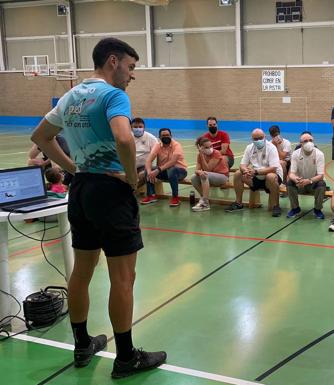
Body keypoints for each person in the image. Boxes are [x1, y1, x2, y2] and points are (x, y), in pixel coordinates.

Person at [30, 37, 166, 379]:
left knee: (82, 271)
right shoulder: (113, 95)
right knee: (124, 277)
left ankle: (81, 345)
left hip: (82, 191)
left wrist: (75, 169)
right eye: (131, 67)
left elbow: (41, 137)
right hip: (110, 192)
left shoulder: (70, 96)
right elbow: (123, 138)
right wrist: (132, 179)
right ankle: (125, 357)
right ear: (112, 62)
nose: (132, 76)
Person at [225, 129, 283, 217]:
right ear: (252, 139)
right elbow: (242, 164)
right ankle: (238, 203)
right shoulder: (249, 147)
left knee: (270, 176)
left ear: (264, 137)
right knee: (238, 174)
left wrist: (256, 172)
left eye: (260, 138)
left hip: (271, 178)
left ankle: (276, 206)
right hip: (255, 177)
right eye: (255, 139)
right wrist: (245, 170)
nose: (258, 141)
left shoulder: (271, 147)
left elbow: (273, 168)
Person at [142, 128, 188, 207]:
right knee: (147, 169)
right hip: (165, 172)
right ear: (159, 137)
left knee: (172, 170)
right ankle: (151, 196)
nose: (166, 137)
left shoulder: (177, 145)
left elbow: (172, 162)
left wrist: (158, 170)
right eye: (163, 135)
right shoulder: (158, 146)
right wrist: (149, 173)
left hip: (180, 172)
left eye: (167, 135)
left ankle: (175, 198)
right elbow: (148, 161)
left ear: (171, 136)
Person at [286, 132, 326, 219]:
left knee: (322, 184)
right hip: (300, 183)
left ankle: (317, 210)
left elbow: (320, 175)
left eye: (311, 140)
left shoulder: (319, 154)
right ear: (301, 143)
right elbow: (291, 173)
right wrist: (296, 179)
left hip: (313, 183)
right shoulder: (296, 154)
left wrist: (309, 181)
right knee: (289, 183)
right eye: (305, 141)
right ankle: (295, 208)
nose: (309, 142)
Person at [190, 137, 230, 212]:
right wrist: (199, 172)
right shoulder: (200, 155)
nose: (210, 148)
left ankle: (204, 203)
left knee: (205, 174)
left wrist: (201, 156)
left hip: (222, 177)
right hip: (210, 176)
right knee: (193, 177)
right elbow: (197, 169)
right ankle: (204, 200)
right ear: (201, 148)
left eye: (211, 146)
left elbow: (208, 169)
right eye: (206, 147)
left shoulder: (216, 153)